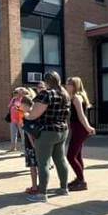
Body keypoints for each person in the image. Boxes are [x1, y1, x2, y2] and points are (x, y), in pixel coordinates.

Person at [24, 71, 71, 202]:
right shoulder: (65, 94)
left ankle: (42, 194)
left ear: (46, 81)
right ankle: (64, 188)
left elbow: (34, 114)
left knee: (43, 162)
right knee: (60, 160)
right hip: (62, 130)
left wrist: (26, 114)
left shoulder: (46, 94)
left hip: (47, 132)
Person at [65, 77, 96, 191]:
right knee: (77, 155)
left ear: (75, 85)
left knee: (70, 156)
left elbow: (81, 115)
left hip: (80, 129)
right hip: (78, 128)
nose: (66, 85)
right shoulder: (77, 96)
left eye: (69, 84)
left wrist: (88, 127)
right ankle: (79, 179)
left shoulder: (76, 97)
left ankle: (81, 181)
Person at [19, 95, 41, 195]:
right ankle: (42, 185)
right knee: (41, 165)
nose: (19, 107)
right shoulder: (36, 113)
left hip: (31, 144)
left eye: (21, 105)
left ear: (25, 104)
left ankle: (35, 187)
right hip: (40, 142)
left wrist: (33, 145)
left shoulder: (26, 115)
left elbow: (28, 132)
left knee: (33, 166)